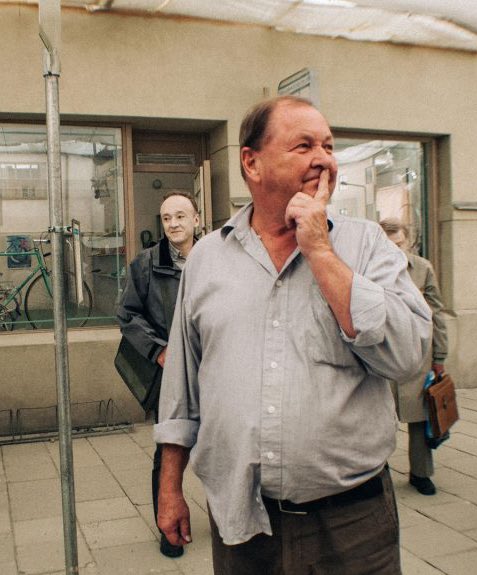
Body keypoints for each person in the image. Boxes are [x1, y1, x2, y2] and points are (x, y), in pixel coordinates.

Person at [154, 95, 432, 575]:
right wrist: (170, 486)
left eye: (328, 145)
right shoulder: (207, 259)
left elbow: (408, 355)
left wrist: (320, 250)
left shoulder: (366, 244)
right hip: (242, 522)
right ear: (251, 162)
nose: (323, 158)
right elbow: (183, 385)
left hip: (352, 523)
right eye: (303, 145)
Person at [117, 191, 200, 558]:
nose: (173, 224)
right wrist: (158, 350)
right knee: (168, 449)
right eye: (167, 218)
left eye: (181, 216)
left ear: (197, 220)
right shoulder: (146, 264)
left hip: (215, 368)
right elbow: (127, 316)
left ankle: (232, 521)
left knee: (226, 447)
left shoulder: (216, 257)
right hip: (172, 372)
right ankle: (169, 531)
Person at [380, 219, 448, 496]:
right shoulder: (367, 267)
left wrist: (440, 355)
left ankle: (420, 473)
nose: (395, 250)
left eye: (399, 244)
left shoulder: (422, 268)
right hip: (381, 351)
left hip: (418, 352)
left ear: (408, 243)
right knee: (377, 417)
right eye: (388, 245)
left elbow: (437, 314)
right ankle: (374, 472)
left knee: (421, 415)